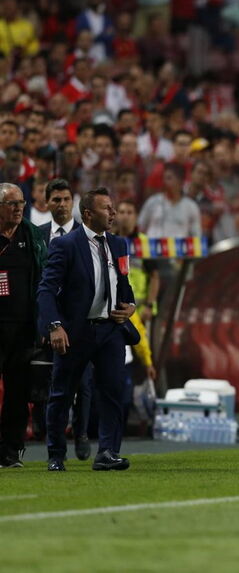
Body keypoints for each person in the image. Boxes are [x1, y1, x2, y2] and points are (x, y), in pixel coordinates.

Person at [37, 187, 140, 471]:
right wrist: (54, 326)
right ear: (88, 214)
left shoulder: (119, 245)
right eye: (107, 208)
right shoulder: (66, 245)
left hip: (110, 330)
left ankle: (107, 452)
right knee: (62, 393)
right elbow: (46, 289)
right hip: (76, 331)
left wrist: (130, 305)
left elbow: (124, 284)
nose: (113, 213)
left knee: (112, 392)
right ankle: (56, 455)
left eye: (112, 207)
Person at [38, 178, 95, 461]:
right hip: (50, 320)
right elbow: (38, 284)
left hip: (80, 322)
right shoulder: (37, 235)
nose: (61, 205)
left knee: (83, 383)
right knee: (53, 385)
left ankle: (82, 432)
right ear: (45, 203)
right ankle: (50, 441)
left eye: (65, 199)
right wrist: (44, 322)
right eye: (55, 200)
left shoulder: (87, 236)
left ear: (72, 202)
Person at [0, 183, 46, 468]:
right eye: (11, 204)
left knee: (18, 392)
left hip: (23, 328)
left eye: (21, 203)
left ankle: (9, 449)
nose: (18, 208)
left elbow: (43, 278)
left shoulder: (31, 235)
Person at [138, 162, 202, 238]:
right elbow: (140, 228)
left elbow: (196, 236)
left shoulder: (191, 206)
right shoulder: (152, 202)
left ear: (180, 182)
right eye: (164, 178)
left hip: (179, 248)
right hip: (152, 247)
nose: (164, 182)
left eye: (169, 178)